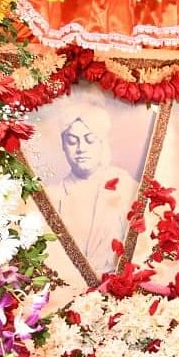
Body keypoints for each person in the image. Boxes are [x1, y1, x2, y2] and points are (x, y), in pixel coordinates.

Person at [46, 105, 137, 274]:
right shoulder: (51, 195)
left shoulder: (125, 186)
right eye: (72, 141)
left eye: (90, 139)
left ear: (102, 142)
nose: (81, 148)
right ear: (63, 145)